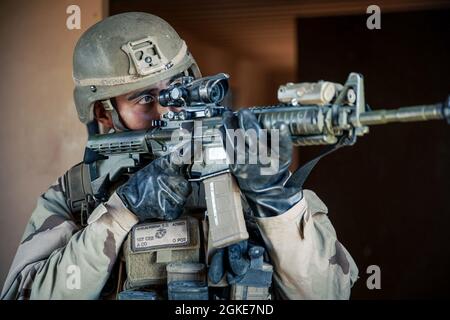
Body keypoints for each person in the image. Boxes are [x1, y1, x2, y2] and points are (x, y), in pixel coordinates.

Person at [1, 12, 358, 300]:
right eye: (144, 99)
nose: (167, 109)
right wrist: (123, 211)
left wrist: (275, 202)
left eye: (175, 89)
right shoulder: (76, 194)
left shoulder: (252, 176)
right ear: (103, 114)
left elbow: (331, 293)